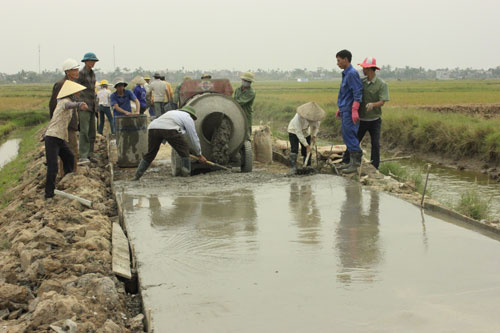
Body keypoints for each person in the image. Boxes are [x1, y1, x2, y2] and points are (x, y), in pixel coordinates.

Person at [133, 106, 207, 180]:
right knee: (184, 150)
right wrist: (199, 154)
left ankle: (137, 175)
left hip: (153, 127)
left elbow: (163, 129)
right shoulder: (188, 117)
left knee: (151, 153)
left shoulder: (172, 113)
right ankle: (186, 174)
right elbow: (193, 136)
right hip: (169, 129)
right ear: (191, 115)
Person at [342, 57, 390, 169]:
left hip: (374, 120)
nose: (363, 69)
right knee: (354, 140)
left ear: (370, 69)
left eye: (364, 68)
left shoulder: (382, 84)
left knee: (375, 144)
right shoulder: (361, 82)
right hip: (361, 119)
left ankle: (375, 167)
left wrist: (373, 104)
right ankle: (346, 161)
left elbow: (382, 101)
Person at [44, 80, 88, 199]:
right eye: (77, 91)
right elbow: (70, 105)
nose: (79, 93)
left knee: (69, 157)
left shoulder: (66, 102)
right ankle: (49, 193)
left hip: (60, 137)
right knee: (53, 167)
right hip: (53, 138)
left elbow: (54, 120)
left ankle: (68, 180)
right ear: (72, 92)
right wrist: (79, 105)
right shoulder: (65, 102)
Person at [49, 58, 80, 171]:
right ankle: (68, 174)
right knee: (68, 150)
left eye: (77, 69)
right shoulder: (61, 84)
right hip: (64, 124)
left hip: (71, 121)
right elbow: (54, 105)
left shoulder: (72, 84)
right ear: (67, 72)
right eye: (74, 70)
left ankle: (71, 173)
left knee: (71, 149)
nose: (76, 72)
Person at [335, 49, 363, 174]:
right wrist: (340, 108)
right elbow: (345, 94)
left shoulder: (352, 73)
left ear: (346, 59)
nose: (337, 63)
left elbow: (357, 92)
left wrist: (355, 109)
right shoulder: (346, 74)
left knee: (350, 135)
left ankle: (355, 164)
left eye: (339, 60)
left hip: (350, 110)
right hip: (345, 109)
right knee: (346, 135)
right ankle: (351, 162)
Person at [287, 102, 325, 174]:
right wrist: (306, 145)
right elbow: (298, 133)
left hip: (306, 131)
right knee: (294, 149)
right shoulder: (297, 118)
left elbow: (316, 127)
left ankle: (307, 166)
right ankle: (292, 167)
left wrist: (314, 136)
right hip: (293, 131)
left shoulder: (316, 117)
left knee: (307, 151)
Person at [77, 52, 99, 165]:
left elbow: (92, 90)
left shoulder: (92, 73)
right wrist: (79, 103)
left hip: (92, 106)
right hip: (84, 106)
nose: (93, 63)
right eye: (91, 61)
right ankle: (83, 155)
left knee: (92, 132)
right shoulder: (81, 74)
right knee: (84, 131)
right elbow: (76, 90)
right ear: (86, 61)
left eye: (94, 61)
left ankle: (90, 154)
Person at [233, 72, 256, 140]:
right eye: (245, 80)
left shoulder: (251, 92)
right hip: (236, 113)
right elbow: (235, 100)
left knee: (246, 134)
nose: (246, 82)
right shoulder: (237, 90)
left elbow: (239, 102)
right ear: (242, 80)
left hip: (245, 114)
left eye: (248, 81)